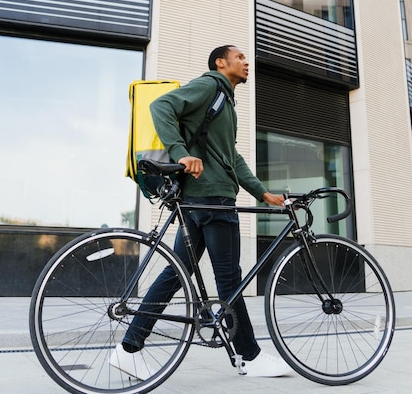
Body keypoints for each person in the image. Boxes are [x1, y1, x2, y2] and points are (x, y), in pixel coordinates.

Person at [110, 45, 291, 379]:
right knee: (229, 280)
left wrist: (261, 193)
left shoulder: (226, 102)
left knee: (176, 273)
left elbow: (230, 157)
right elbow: (160, 105)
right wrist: (180, 153)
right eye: (240, 58)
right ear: (222, 63)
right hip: (212, 200)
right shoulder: (210, 85)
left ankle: (128, 349)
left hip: (200, 200)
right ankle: (249, 356)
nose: (246, 62)